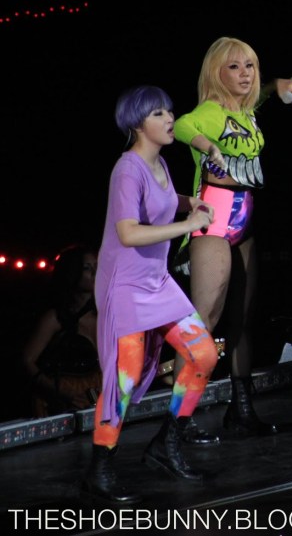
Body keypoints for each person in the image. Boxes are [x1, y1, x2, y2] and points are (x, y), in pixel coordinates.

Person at [81, 85, 220, 505]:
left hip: (156, 281)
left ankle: (166, 443)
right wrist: (188, 225)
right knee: (124, 378)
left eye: (169, 111)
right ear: (138, 123)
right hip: (125, 286)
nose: (170, 118)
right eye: (159, 113)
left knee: (203, 354)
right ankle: (100, 468)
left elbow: (161, 202)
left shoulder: (158, 162)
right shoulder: (127, 169)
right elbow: (128, 232)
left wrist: (188, 203)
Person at [172, 36, 292, 440]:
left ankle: (241, 410)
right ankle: (180, 419)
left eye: (249, 66)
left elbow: (255, 97)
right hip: (213, 220)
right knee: (203, 321)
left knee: (242, 321)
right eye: (234, 67)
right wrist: (205, 144)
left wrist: (277, 87)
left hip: (244, 221)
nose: (245, 74)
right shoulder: (210, 112)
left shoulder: (245, 112)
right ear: (217, 72)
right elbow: (182, 124)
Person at [20, 244, 101, 418]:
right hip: (61, 402)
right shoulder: (55, 318)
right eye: (87, 268)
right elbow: (26, 361)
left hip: (96, 395)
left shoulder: (104, 314)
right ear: (72, 273)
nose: (95, 272)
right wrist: (59, 391)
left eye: (97, 266)